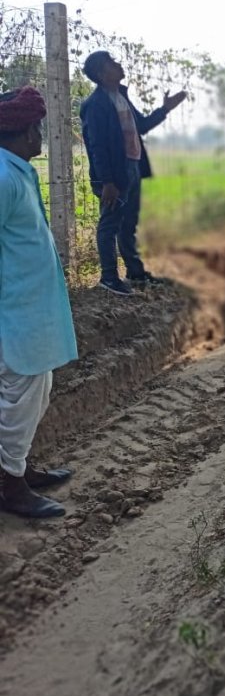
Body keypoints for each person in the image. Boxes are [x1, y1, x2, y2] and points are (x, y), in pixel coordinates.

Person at [0, 87, 78, 518]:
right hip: (14, 312)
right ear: (22, 130)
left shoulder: (16, 171)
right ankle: (10, 487)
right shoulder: (4, 177)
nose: (39, 137)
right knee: (19, 395)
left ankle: (18, 469)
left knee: (34, 390)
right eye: (37, 129)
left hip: (29, 309)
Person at [80, 51, 187, 295]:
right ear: (101, 73)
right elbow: (97, 146)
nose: (119, 65)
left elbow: (142, 126)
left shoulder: (121, 97)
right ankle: (109, 277)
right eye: (112, 63)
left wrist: (164, 109)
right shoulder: (95, 105)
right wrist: (107, 181)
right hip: (114, 174)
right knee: (110, 223)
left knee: (129, 223)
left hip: (133, 167)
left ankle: (135, 273)